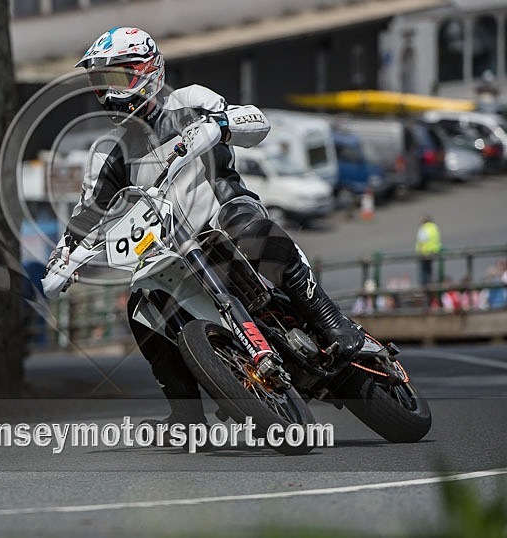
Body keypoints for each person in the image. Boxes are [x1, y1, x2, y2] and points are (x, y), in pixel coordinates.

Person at [45, 27, 364, 430]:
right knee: (142, 305)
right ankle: (185, 414)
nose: (108, 94)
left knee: (251, 232)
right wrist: (64, 255)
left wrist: (222, 125)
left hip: (222, 211)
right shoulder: (107, 152)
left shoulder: (190, 100)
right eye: (99, 83)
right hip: (169, 247)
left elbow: (257, 122)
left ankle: (330, 318)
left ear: (147, 71)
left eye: (116, 80)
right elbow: (89, 211)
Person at [415, 215, 442, 288]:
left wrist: (420, 252)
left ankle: (425, 287)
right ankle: (430, 284)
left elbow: (421, 241)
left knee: (424, 272)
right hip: (433, 252)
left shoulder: (424, 228)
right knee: (430, 271)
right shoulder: (434, 227)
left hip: (425, 253)